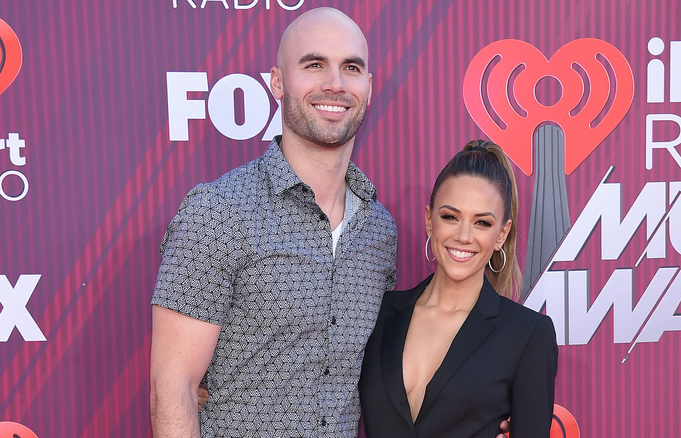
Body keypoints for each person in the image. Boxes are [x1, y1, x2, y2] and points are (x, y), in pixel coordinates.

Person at [149, 7, 397, 437]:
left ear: (369, 87)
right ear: (277, 82)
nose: (335, 83)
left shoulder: (379, 230)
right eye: (314, 64)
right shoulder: (218, 212)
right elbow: (173, 388)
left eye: (351, 68)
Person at [359, 140, 558, 437]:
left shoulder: (527, 335)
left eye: (482, 223)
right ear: (429, 220)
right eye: (450, 217)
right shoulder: (379, 312)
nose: (464, 236)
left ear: (502, 234)